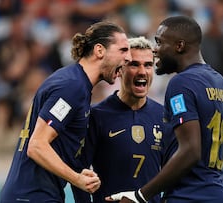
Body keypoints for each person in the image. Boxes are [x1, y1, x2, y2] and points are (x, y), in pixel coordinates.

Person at [0, 21, 132, 203]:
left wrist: (78, 172)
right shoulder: (72, 86)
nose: (129, 58)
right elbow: (37, 145)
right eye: (123, 50)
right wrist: (77, 179)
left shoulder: (76, 83)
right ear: (100, 50)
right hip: (33, 196)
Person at [107, 15, 223, 203]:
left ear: (179, 46)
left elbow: (191, 150)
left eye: (159, 42)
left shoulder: (181, 83)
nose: (155, 50)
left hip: (190, 196)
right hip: (221, 193)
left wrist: (140, 196)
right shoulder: (219, 82)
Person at [74, 36, 175, 203]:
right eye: (134, 64)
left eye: (148, 65)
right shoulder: (97, 116)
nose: (142, 71)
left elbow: (173, 173)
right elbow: (79, 171)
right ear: (120, 69)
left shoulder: (164, 117)